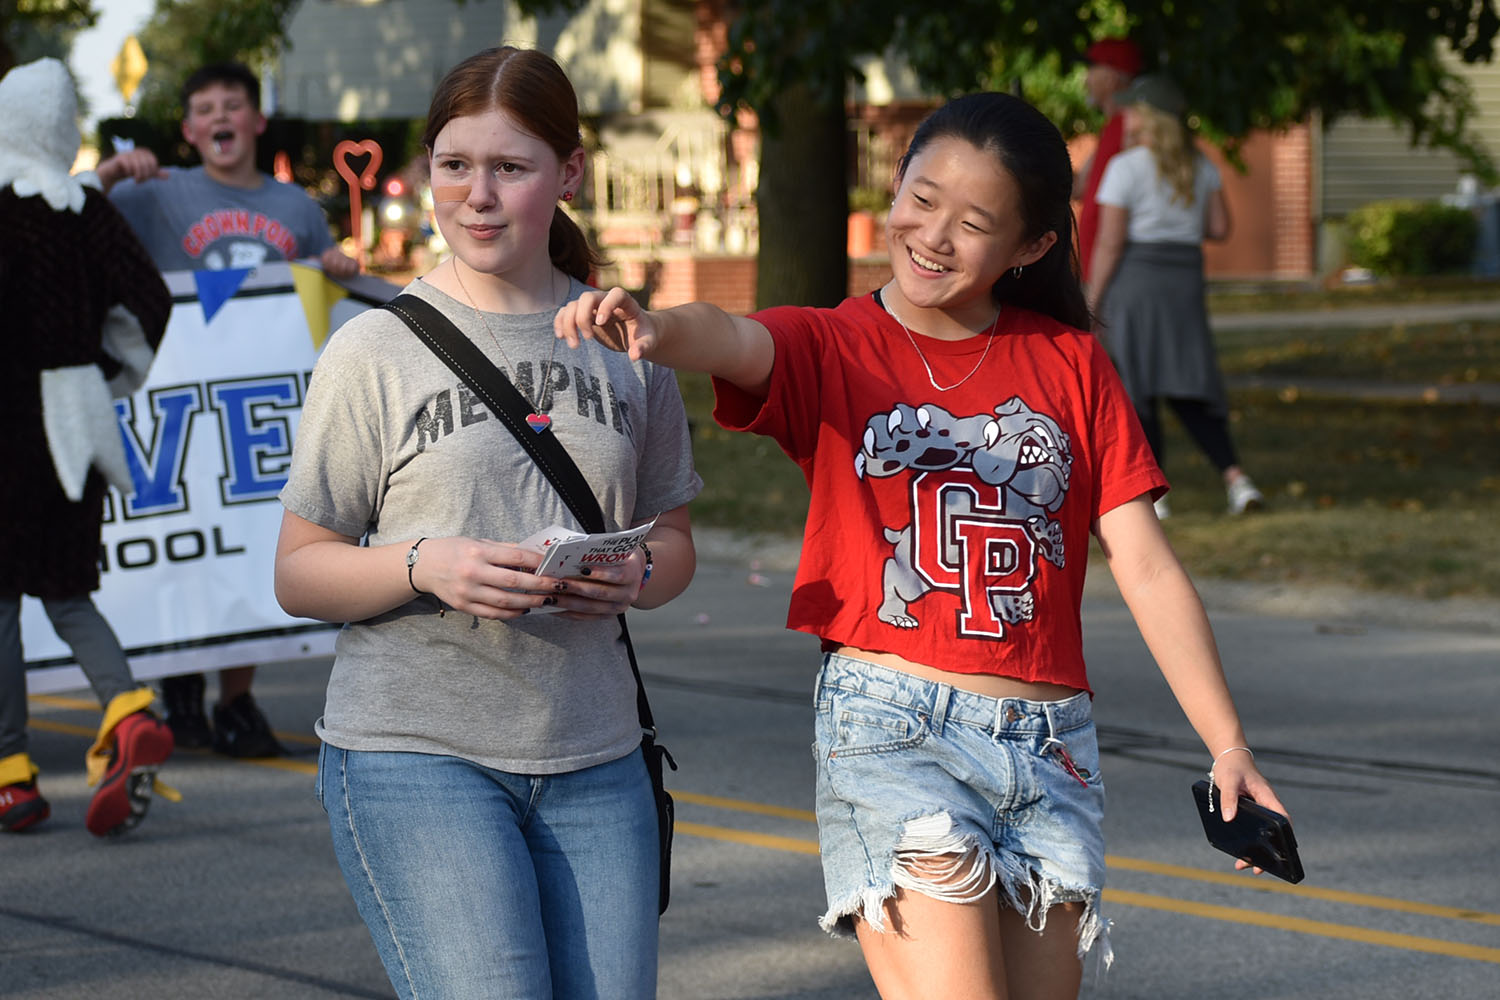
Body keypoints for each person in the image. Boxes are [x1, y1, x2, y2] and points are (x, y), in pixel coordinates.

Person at [557, 92, 1288, 1000]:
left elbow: (1143, 562)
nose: (933, 234)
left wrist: (1228, 745)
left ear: (1029, 247)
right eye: (922, 196)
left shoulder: (1073, 363)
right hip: (895, 730)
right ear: (897, 185)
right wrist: (661, 331)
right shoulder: (838, 344)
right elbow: (736, 337)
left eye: (974, 222)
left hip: (1051, 746)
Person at [273, 46, 700, 999]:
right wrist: (426, 565)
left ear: (570, 173)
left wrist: (636, 577)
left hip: (597, 757)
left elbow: (672, 543)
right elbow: (299, 570)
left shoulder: (631, 348)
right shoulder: (373, 350)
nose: (476, 195)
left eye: (510, 168)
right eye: (454, 165)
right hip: (413, 756)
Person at [95, 61, 360, 758]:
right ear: (189, 129)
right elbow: (72, 220)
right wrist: (113, 173)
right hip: (177, 395)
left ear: (255, 119)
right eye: (205, 107)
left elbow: (319, 304)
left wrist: (336, 269)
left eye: (232, 105)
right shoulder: (158, 194)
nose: (220, 117)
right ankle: (180, 683)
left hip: (258, 410)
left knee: (251, 537)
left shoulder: (296, 209)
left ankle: (235, 698)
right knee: (188, 541)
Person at [0, 57, 176, 837]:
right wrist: (105, 370)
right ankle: (127, 706)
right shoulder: (90, 210)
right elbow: (152, 298)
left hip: (5, 423)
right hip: (75, 419)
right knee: (68, 591)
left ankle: (10, 775)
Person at [1087, 74, 1264, 518]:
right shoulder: (1200, 166)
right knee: (1188, 380)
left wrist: (1092, 298)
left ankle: (1153, 497)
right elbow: (1220, 228)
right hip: (1184, 281)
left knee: (1136, 383)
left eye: (1131, 109)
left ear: (1146, 117)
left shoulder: (1125, 168)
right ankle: (1237, 480)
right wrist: (1179, 223)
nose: (1123, 117)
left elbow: (1109, 241)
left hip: (1136, 281)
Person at [1074, 37, 1143, 283]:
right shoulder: (1112, 127)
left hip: (1117, 270)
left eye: (1092, 70)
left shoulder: (1133, 128)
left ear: (1112, 77)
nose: (1086, 79)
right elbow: (1080, 187)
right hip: (1102, 266)